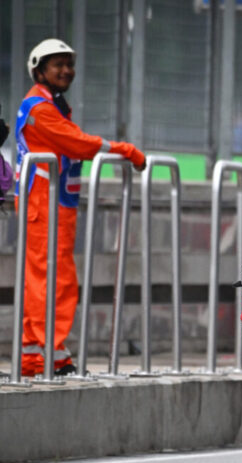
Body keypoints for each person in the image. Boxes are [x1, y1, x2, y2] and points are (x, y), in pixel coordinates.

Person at [15, 38, 146, 376]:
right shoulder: (39, 108)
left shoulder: (52, 105)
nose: (66, 70)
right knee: (50, 281)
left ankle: (47, 354)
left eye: (68, 64)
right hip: (45, 204)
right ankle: (40, 356)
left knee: (53, 281)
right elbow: (77, 142)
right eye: (57, 64)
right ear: (39, 70)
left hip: (54, 203)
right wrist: (123, 149)